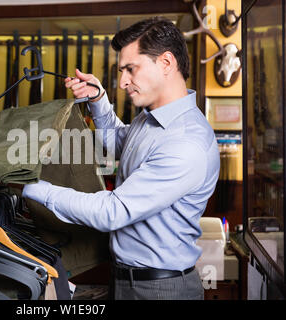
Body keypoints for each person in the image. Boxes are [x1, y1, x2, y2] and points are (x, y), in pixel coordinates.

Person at [22, 16, 220, 300]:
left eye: (131, 69)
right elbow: (119, 142)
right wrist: (97, 99)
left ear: (166, 63)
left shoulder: (186, 141)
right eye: (121, 71)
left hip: (159, 290)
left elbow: (113, 212)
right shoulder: (150, 119)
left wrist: (31, 187)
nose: (123, 81)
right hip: (125, 279)